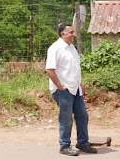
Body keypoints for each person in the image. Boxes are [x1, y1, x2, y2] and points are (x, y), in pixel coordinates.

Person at [46, 23, 97, 156]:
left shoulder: (71, 48)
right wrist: (59, 86)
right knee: (66, 118)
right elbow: (49, 70)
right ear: (63, 34)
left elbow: (74, 68)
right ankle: (64, 146)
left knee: (82, 116)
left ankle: (82, 143)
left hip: (76, 89)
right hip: (64, 90)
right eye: (71, 32)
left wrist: (80, 84)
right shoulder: (55, 48)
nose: (74, 35)